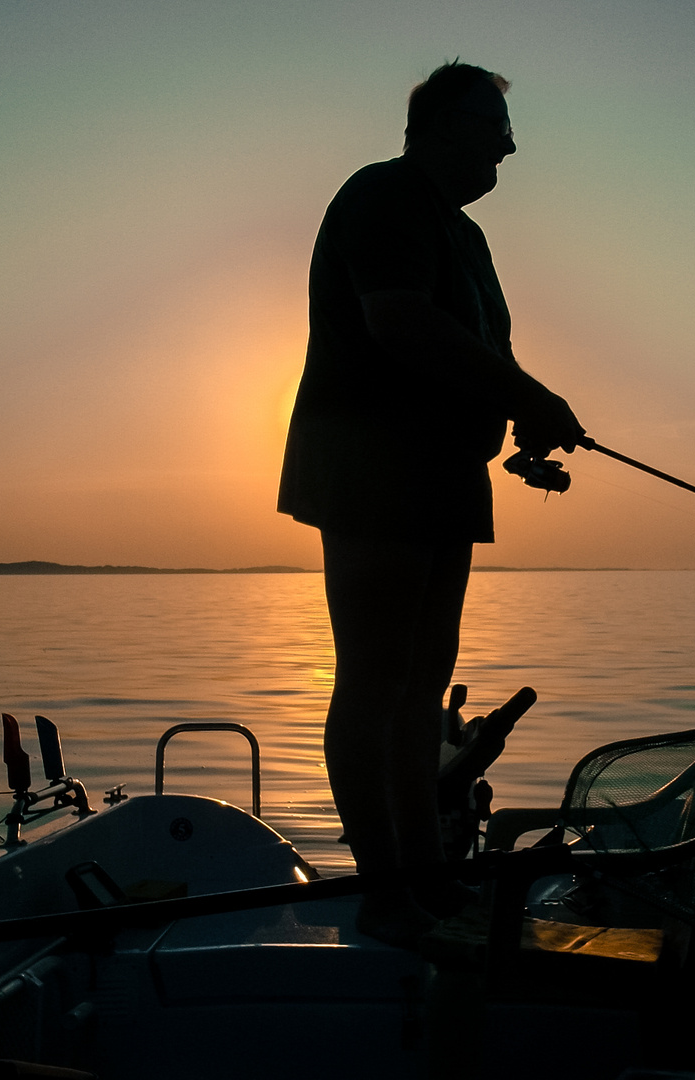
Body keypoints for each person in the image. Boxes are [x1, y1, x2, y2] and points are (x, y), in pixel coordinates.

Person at [277, 61, 584, 945]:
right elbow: (400, 322)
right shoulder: (384, 197)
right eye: (495, 128)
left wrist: (513, 419)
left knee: (417, 690)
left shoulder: (465, 237)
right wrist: (530, 393)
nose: (510, 147)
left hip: (447, 477)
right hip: (372, 469)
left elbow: (467, 347)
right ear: (442, 125)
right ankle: (384, 894)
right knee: (375, 682)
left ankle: (426, 878)